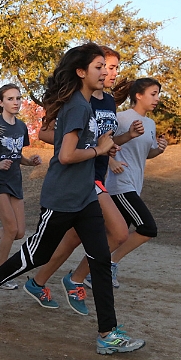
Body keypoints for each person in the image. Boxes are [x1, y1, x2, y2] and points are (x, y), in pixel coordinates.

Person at [0, 43, 146, 355]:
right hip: (62, 198)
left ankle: (107, 333)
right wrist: (99, 150)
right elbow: (64, 156)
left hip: (86, 196)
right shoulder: (77, 107)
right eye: (98, 67)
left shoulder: (88, 105)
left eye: (107, 67)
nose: (105, 72)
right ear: (81, 72)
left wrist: (108, 143)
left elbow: (85, 146)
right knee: (35, 256)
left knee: (100, 261)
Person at [24, 47, 144, 314]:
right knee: (119, 232)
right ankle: (74, 279)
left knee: (72, 239)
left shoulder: (109, 101)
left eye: (113, 68)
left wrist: (123, 140)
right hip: (83, 177)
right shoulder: (79, 98)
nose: (110, 73)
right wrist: (81, 146)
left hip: (96, 173)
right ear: (90, 69)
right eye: (105, 67)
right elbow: (46, 134)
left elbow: (107, 142)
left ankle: (39, 281)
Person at [103, 78, 167, 286]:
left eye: (158, 94)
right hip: (120, 184)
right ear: (138, 95)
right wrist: (111, 161)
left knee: (114, 235)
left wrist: (159, 149)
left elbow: (146, 154)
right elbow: (102, 143)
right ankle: (110, 262)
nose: (157, 98)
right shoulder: (121, 118)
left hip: (135, 185)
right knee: (148, 228)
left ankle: (92, 268)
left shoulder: (150, 124)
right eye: (153, 93)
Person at [0, 84, 42, 290]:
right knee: (10, 228)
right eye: (10, 98)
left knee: (19, 232)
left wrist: (30, 162)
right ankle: (0, 275)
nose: (15, 102)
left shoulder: (21, 126)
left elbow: (17, 157)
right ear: (1, 102)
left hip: (15, 181)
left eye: (18, 98)